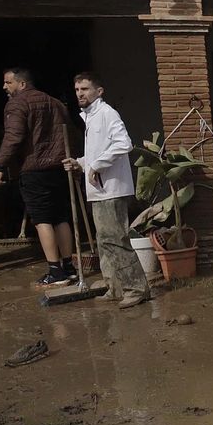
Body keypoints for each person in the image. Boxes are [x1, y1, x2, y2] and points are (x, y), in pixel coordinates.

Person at [64, 72, 150, 308]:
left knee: (115, 240)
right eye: (77, 90)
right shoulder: (90, 118)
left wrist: (97, 166)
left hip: (111, 189)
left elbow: (124, 143)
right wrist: (81, 163)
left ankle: (136, 288)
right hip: (99, 189)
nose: (80, 93)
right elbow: (98, 152)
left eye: (85, 89)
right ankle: (115, 287)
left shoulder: (107, 113)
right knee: (104, 241)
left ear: (99, 91)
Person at [0, 67, 76, 287]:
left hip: (34, 168)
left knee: (42, 220)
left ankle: (55, 271)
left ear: (21, 84)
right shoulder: (56, 103)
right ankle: (69, 267)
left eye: (7, 83)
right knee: (60, 217)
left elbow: (14, 136)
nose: (4, 87)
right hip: (59, 166)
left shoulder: (18, 103)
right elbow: (70, 133)